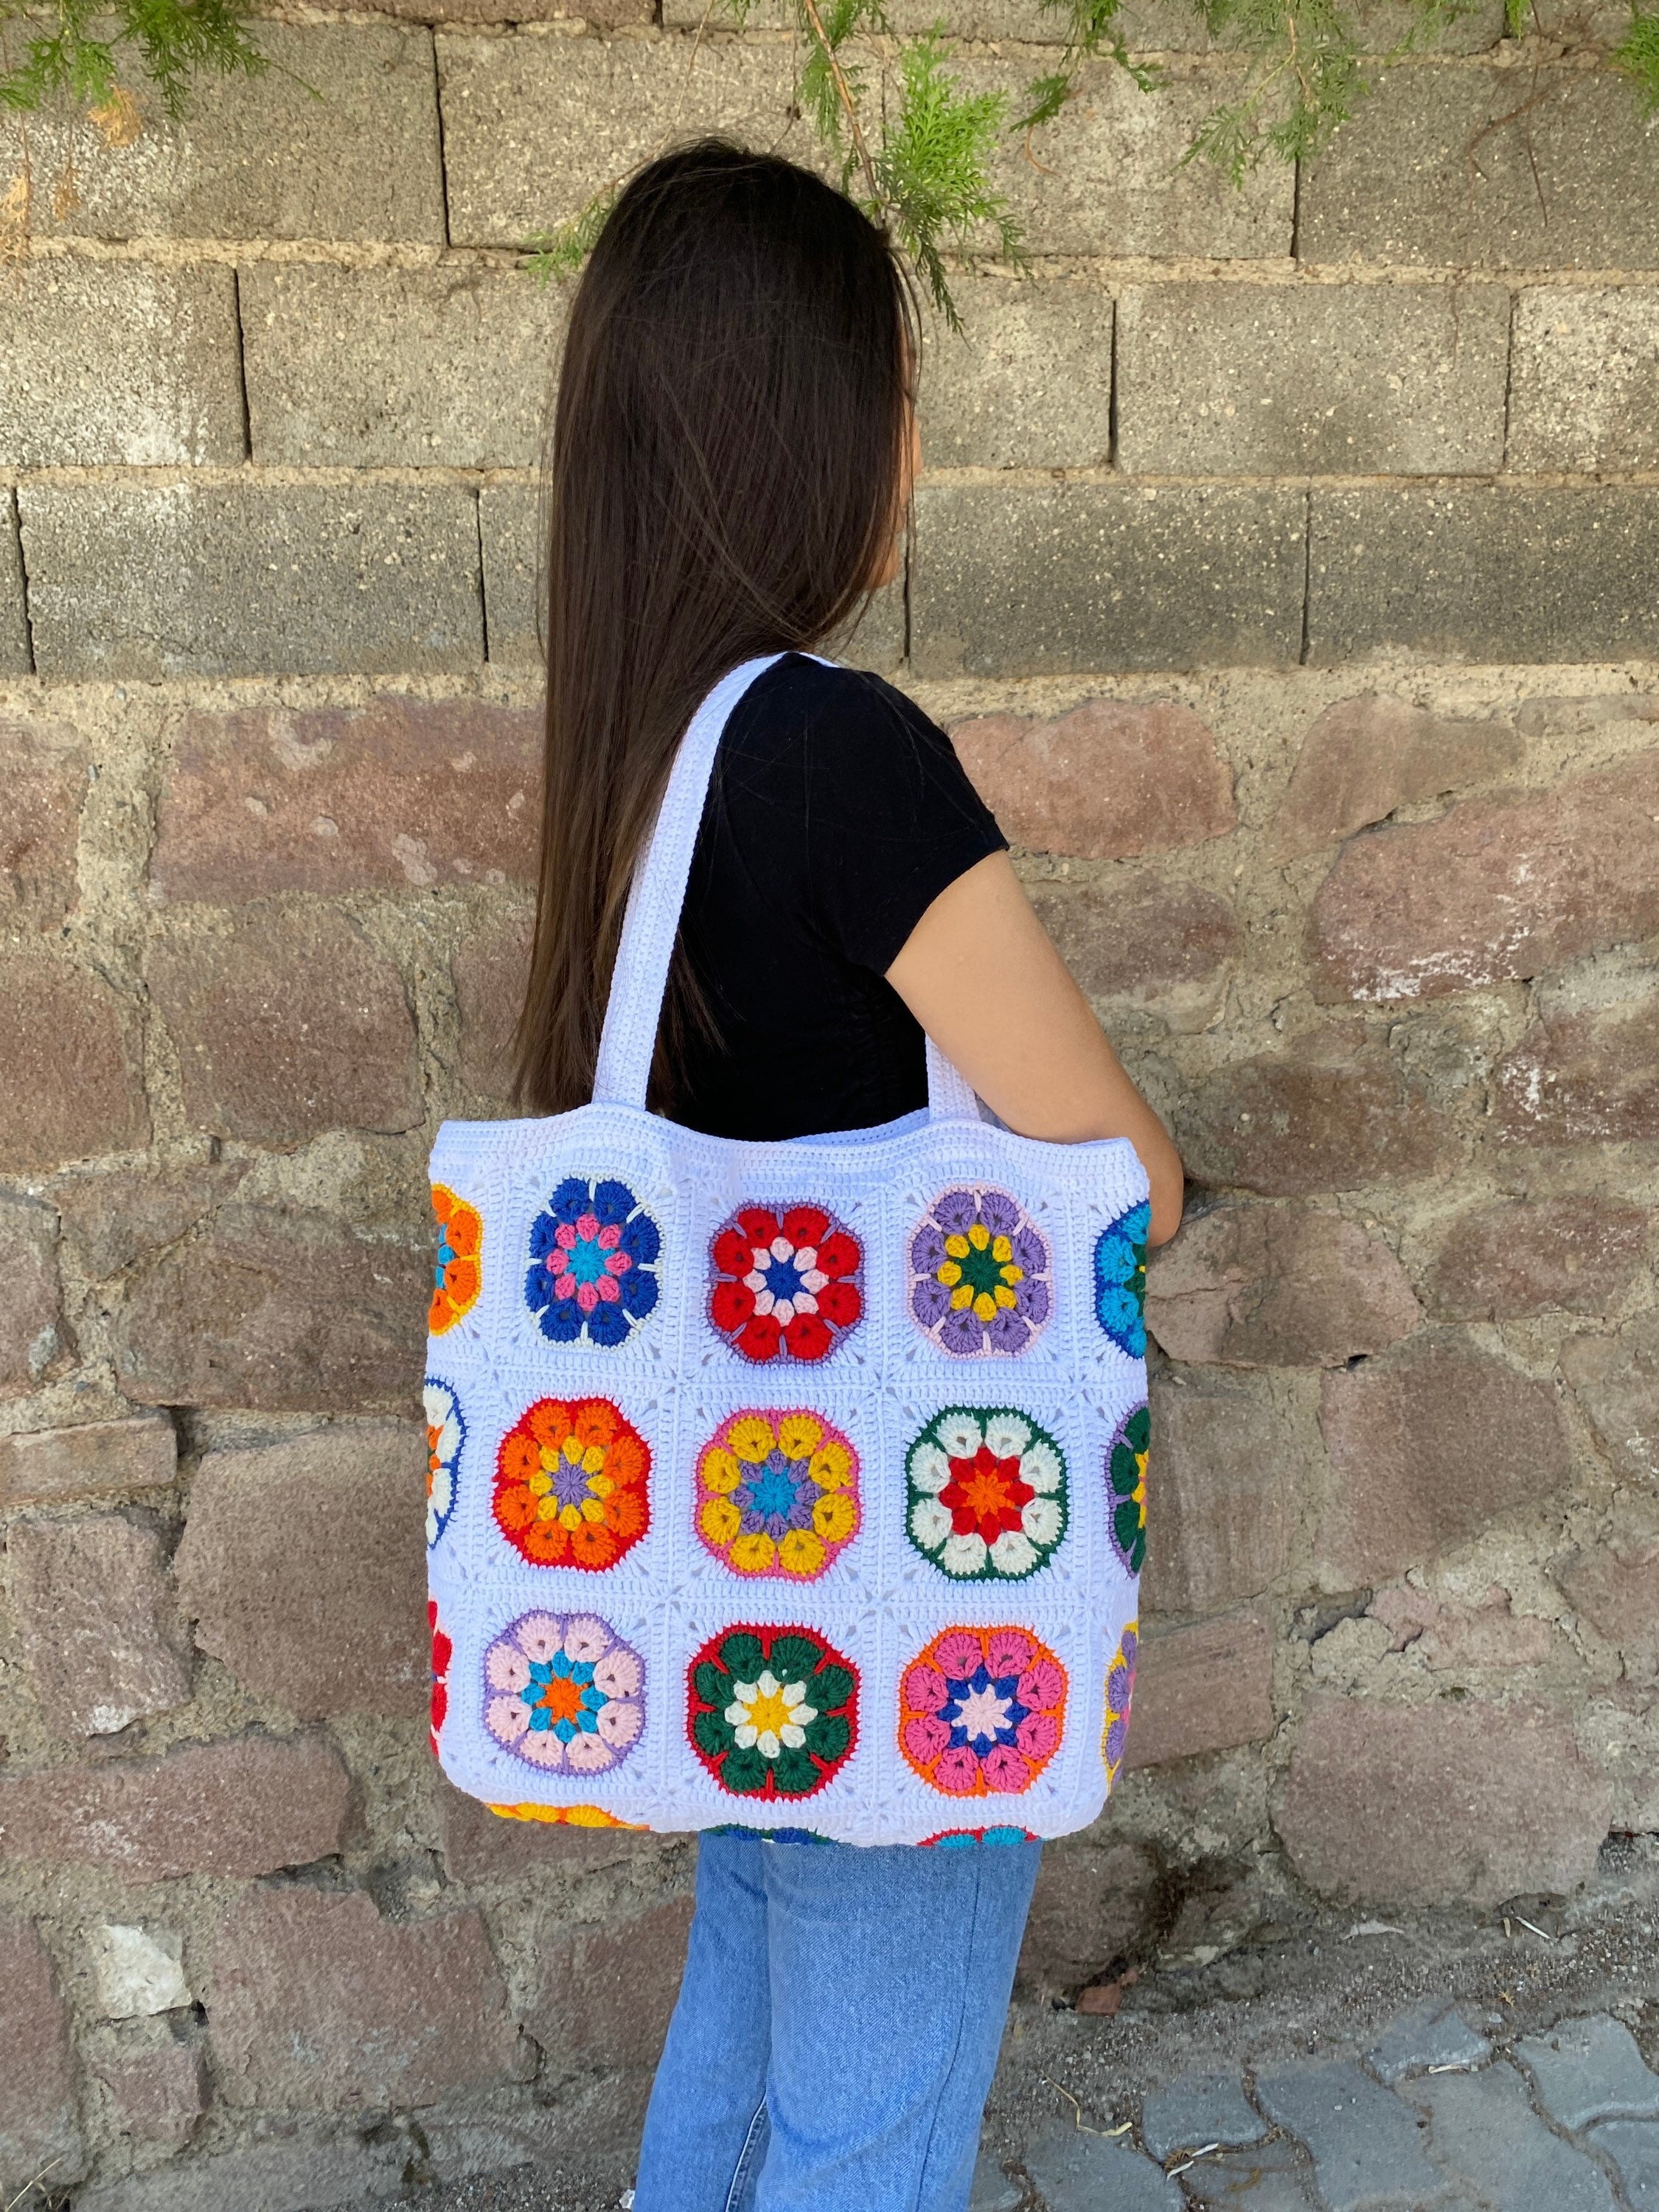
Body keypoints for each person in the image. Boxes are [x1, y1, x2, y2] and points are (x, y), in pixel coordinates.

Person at [513, 139, 1185, 2212]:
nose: (914, 444)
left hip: (731, 1555)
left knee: (745, 2004)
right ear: (818, 429)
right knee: (865, 2144)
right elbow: (1116, 1180)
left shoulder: (636, 751)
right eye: (898, 388)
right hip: (895, 1572)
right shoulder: (837, 751)